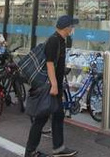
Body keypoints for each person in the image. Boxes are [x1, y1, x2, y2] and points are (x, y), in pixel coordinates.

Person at [25, 15, 79, 157]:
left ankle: (58, 148)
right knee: (41, 119)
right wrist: (54, 85)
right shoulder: (54, 41)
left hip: (56, 86)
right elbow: (49, 64)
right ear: (67, 28)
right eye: (72, 26)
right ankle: (30, 151)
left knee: (58, 115)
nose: (73, 29)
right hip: (50, 87)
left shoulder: (61, 40)